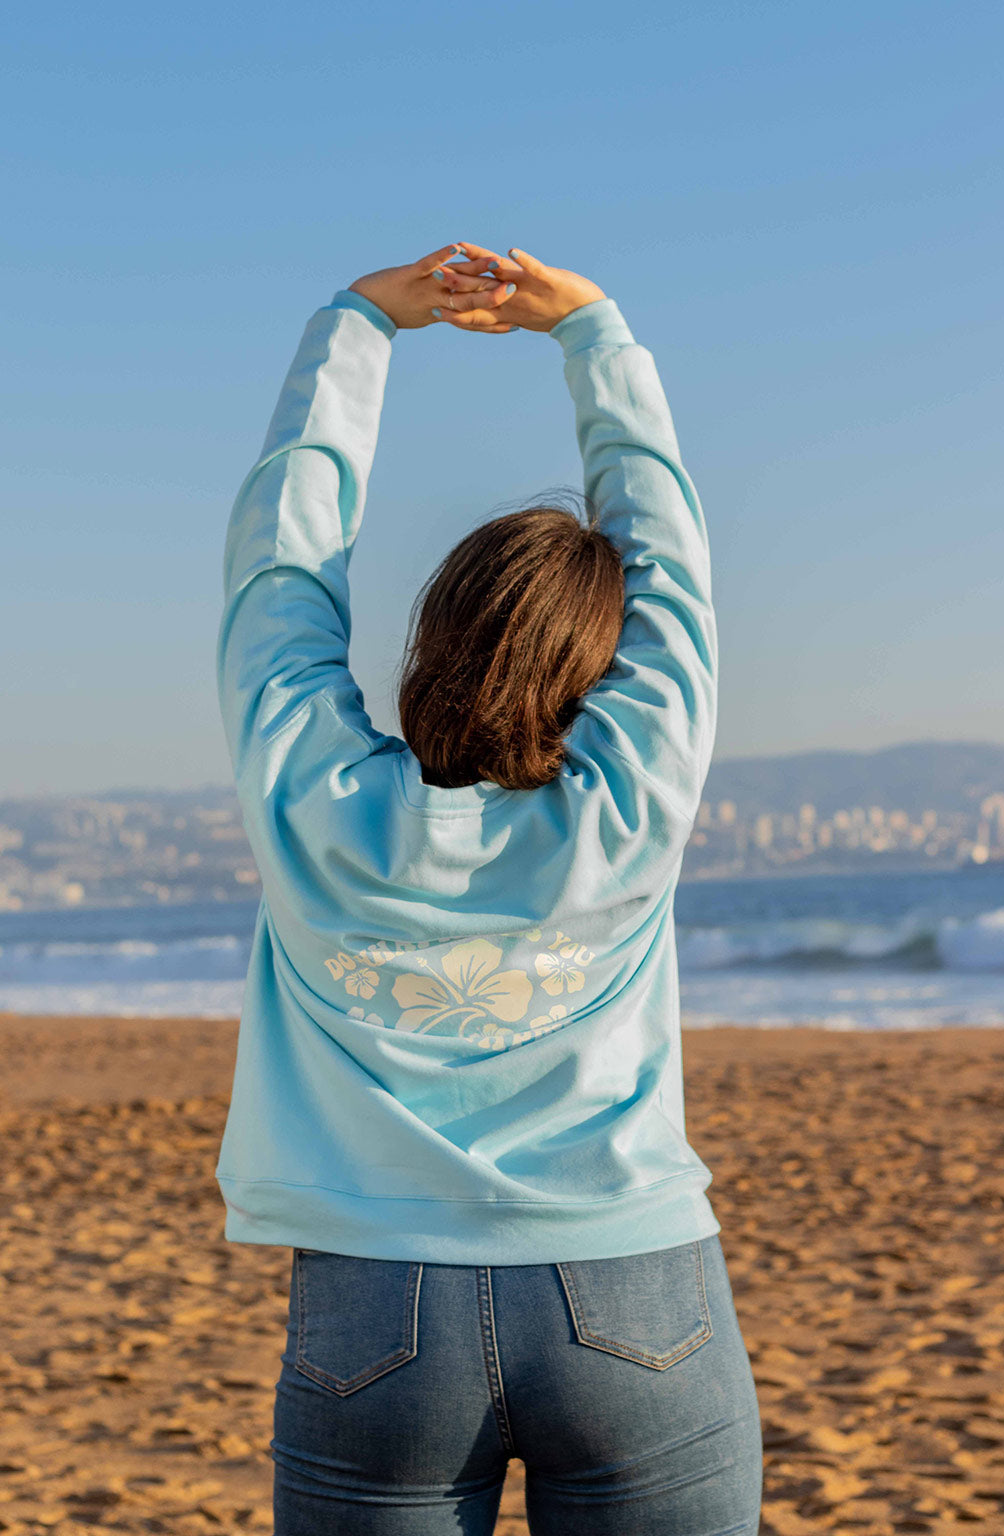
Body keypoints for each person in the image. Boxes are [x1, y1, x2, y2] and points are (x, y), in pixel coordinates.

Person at [214, 240, 763, 1534]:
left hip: (376, 1312)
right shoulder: (629, 805)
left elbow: (277, 579)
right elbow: (672, 571)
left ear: (434, 638)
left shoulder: (317, 804)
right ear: (606, 675)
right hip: (634, 1290)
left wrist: (359, 328)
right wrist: (593, 334)